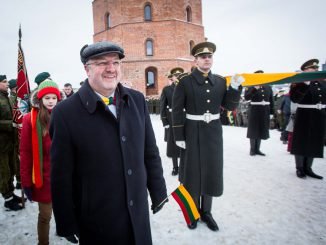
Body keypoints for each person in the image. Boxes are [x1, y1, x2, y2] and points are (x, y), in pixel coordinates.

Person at [50, 41, 168, 244]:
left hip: (137, 213)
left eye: (115, 62)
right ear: (87, 69)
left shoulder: (137, 100)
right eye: (102, 63)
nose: (111, 69)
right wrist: (66, 221)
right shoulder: (65, 113)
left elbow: (149, 151)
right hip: (97, 219)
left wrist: (158, 191)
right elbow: (61, 174)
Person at [172, 41, 244, 231]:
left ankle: (207, 212)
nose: (206, 59)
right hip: (191, 131)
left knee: (211, 171)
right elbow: (177, 110)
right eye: (202, 56)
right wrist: (178, 134)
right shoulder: (185, 81)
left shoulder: (220, 81)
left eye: (209, 56)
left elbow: (229, 106)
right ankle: (193, 212)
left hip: (213, 132)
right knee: (193, 173)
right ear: (195, 60)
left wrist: (235, 88)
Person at [20, 79, 63, 245]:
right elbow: (25, 152)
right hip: (43, 178)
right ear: (40, 99)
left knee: (65, 210)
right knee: (45, 215)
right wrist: (26, 182)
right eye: (47, 98)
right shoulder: (30, 120)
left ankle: (65, 229)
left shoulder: (65, 116)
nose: (51, 101)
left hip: (64, 176)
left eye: (54, 97)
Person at [290, 59, 325, 179]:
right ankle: (300, 168)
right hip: (304, 114)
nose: (315, 70)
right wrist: (305, 83)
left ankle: (308, 168)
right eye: (312, 68)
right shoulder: (298, 81)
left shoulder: (322, 82)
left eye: (316, 68)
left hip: (318, 115)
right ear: (305, 70)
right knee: (301, 141)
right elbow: (295, 99)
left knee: (314, 141)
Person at [0, 75, 24, 211]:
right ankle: (7, 199)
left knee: (10, 169)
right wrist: (12, 124)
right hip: (1, 145)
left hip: (10, 142)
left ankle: (11, 194)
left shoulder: (6, 98)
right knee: (3, 172)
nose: (7, 84)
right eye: (4, 82)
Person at [244, 70, 274, 156]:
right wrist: (254, 89)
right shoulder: (250, 85)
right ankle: (252, 149)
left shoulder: (268, 86)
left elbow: (271, 99)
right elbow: (247, 97)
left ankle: (257, 149)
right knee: (253, 130)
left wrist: (272, 112)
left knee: (261, 129)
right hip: (254, 110)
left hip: (265, 111)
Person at [160, 67, 183, 176]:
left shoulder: (186, 88)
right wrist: (165, 122)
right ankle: (175, 167)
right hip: (172, 121)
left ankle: (183, 166)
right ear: (172, 78)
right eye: (176, 75)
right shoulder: (167, 89)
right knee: (173, 145)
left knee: (185, 145)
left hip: (184, 121)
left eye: (180, 75)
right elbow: (162, 107)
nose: (178, 77)